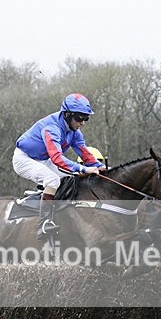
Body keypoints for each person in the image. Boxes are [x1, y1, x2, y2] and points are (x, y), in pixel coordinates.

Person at [14, 93, 106, 240]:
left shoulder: (75, 132)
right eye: (79, 118)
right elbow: (57, 158)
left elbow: (85, 153)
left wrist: (100, 167)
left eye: (86, 118)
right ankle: (43, 223)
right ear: (67, 115)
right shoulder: (51, 128)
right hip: (24, 159)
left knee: (71, 179)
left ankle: (60, 213)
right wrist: (83, 169)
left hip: (44, 159)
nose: (83, 123)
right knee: (53, 181)